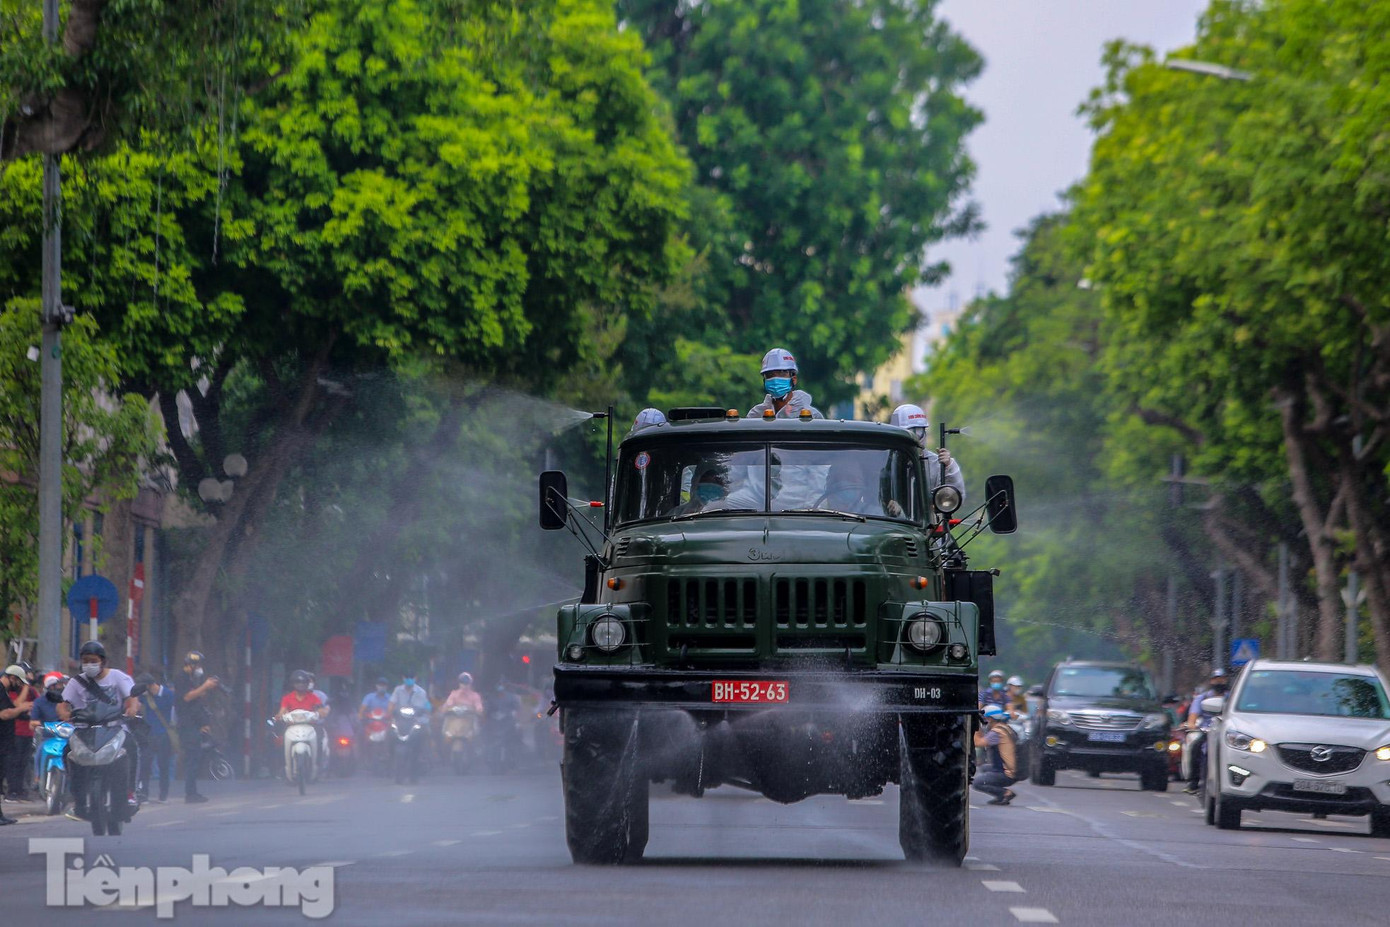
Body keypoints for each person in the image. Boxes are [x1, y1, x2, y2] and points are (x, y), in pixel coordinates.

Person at [58, 641, 141, 821]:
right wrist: (65, 714)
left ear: (102, 661)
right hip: (83, 731)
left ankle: (130, 792)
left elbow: (132, 698)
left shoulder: (117, 677)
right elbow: (63, 704)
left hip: (114, 728)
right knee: (67, 752)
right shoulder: (76, 682)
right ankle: (75, 798)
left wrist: (132, 709)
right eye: (85, 661)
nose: (89, 664)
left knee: (132, 747)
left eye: (93, 660)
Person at [889, 404, 966, 501]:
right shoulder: (886, 463)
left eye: (919, 431)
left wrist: (949, 466)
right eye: (910, 432)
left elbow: (956, 497)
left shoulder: (936, 463)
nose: (915, 437)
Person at [175, 651, 219, 804]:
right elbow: (187, 697)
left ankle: (192, 792)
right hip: (187, 725)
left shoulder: (191, 679)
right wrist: (205, 686)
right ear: (191, 665)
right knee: (192, 759)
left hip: (194, 724)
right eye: (198, 665)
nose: (200, 668)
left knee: (195, 758)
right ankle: (190, 793)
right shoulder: (181, 678)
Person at [1183, 668, 1228, 795]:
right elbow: (1193, 717)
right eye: (1216, 679)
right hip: (1208, 732)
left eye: (1222, 679)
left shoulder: (1232, 698)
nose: (1219, 682)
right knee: (1195, 748)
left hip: (1227, 734)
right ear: (1211, 681)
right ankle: (1193, 783)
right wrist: (1192, 725)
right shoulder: (1202, 698)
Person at [748, 348, 824, 419]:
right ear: (764, 380)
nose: (775, 380)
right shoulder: (756, 415)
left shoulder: (812, 416)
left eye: (782, 374)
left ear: (794, 379)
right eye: (769, 375)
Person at [135, 673, 177, 802]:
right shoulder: (144, 696)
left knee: (163, 764)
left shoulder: (168, 695)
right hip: (148, 735)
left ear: (149, 685)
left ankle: (163, 793)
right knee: (145, 764)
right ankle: (144, 793)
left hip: (164, 734)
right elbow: (135, 702)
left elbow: (175, 712)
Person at [0, 664, 35, 812]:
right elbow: (3, 714)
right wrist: (21, 708)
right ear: (12, 678)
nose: (19, 686)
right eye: (18, 682)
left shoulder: (4, 692)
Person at [972, 704, 1020, 805]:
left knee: (977, 783)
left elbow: (977, 743)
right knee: (984, 768)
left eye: (985, 718)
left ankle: (1005, 793)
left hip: (1007, 773)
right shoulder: (1004, 728)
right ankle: (1001, 795)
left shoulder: (997, 733)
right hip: (1012, 769)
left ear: (990, 719)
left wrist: (975, 726)